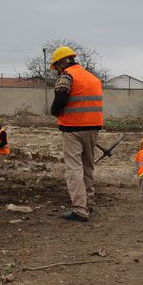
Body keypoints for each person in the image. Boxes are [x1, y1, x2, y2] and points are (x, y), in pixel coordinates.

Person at [49, 46, 102, 222]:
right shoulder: (92, 78)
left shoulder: (67, 76)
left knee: (74, 168)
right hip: (93, 127)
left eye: (56, 65)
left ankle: (80, 209)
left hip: (73, 128)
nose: (56, 70)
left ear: (62, 62)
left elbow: (61, 98)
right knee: (88, 166)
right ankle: (89, 202)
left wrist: (54, 111)